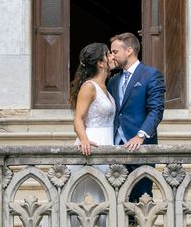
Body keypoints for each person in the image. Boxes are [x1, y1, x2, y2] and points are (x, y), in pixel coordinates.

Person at [108, 32, 165, 201]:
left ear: (129, 51)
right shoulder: (113, 81)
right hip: (115, 147)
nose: (111, 56)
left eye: (115, 52)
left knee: (142, 199)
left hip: (141, 146)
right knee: (117, 200)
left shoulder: (151, 75)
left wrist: (141, 136)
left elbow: (156, 110)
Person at [69, 42, 116, 205]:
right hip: (93, 141)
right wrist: (84, 140)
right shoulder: (89, 87)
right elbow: (78, 118)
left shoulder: (106, 87)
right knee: (88, 194)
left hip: (109, 140)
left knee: (105, 194)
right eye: (109, 54)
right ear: (101, 63)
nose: (112, 56)